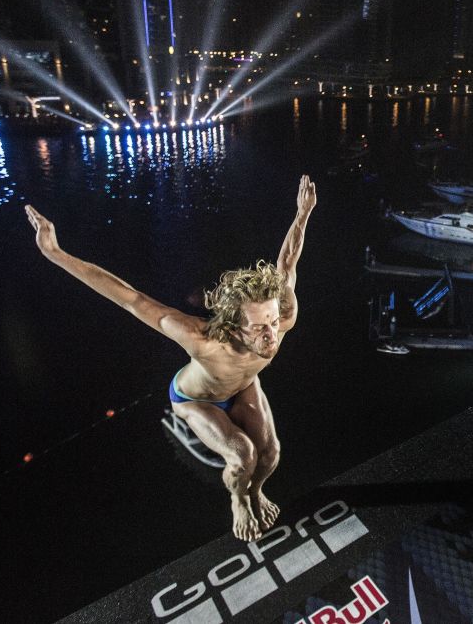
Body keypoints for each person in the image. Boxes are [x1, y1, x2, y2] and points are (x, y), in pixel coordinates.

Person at [25, 175, 317, 542]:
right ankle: (239, 499)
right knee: (242, 455)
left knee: (270, 455)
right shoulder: (204, 340)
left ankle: (255, 490)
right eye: (259, 328)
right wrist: (56, 253)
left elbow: (287, 263)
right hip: (196, 398)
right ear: (233, 327)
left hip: (243, 386)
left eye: (273, 323)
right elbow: (131, 299)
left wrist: (302, 214)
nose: (271, 335)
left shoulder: (283, 316)